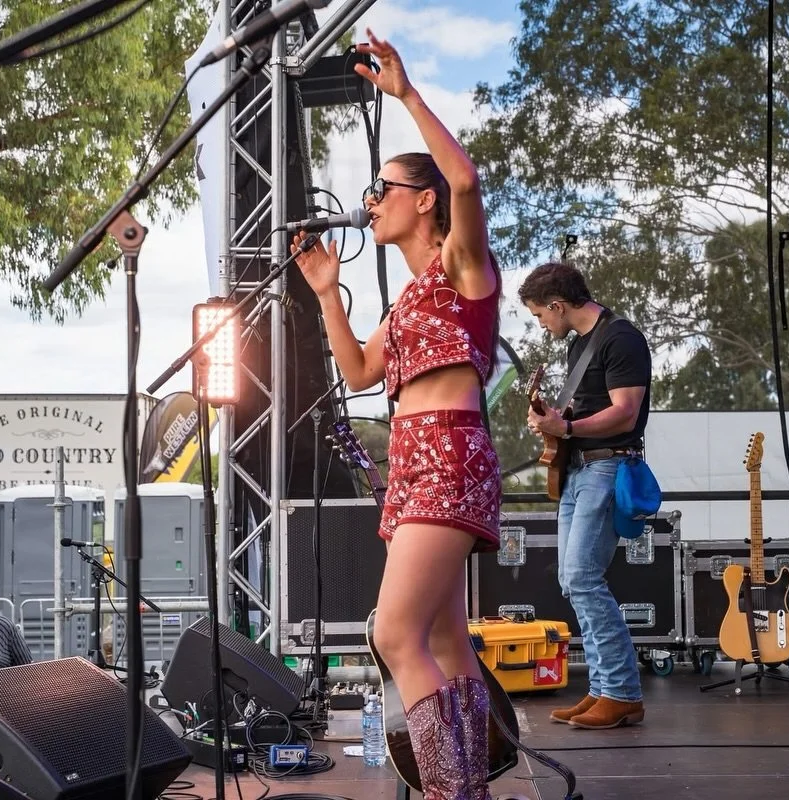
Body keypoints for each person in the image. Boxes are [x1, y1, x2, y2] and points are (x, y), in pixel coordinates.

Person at [292, 28, 501, 800]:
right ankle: (469, 785)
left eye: (383, 189)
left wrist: (406, 95)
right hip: (411, 465)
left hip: (448, 454)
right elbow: (357, 370)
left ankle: (451, 792)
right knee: (445, 639)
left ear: (423, 200)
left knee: (390, 632)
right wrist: (323, 292)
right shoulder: (409, 297)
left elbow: (468, 181)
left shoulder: (461, 267)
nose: (369, 202)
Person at [520, 262, 650, 730]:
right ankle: (602, 689)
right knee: (574, 580)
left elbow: (625, 414)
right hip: (578, 469)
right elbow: (587, 407)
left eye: (539, 316)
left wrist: (567, 426)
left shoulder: (621, 339)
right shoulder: (579, 345)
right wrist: (554, 420)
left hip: (608, 465)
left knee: (581, 577)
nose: (541, 324)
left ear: (557, 304)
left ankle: (621, 692)